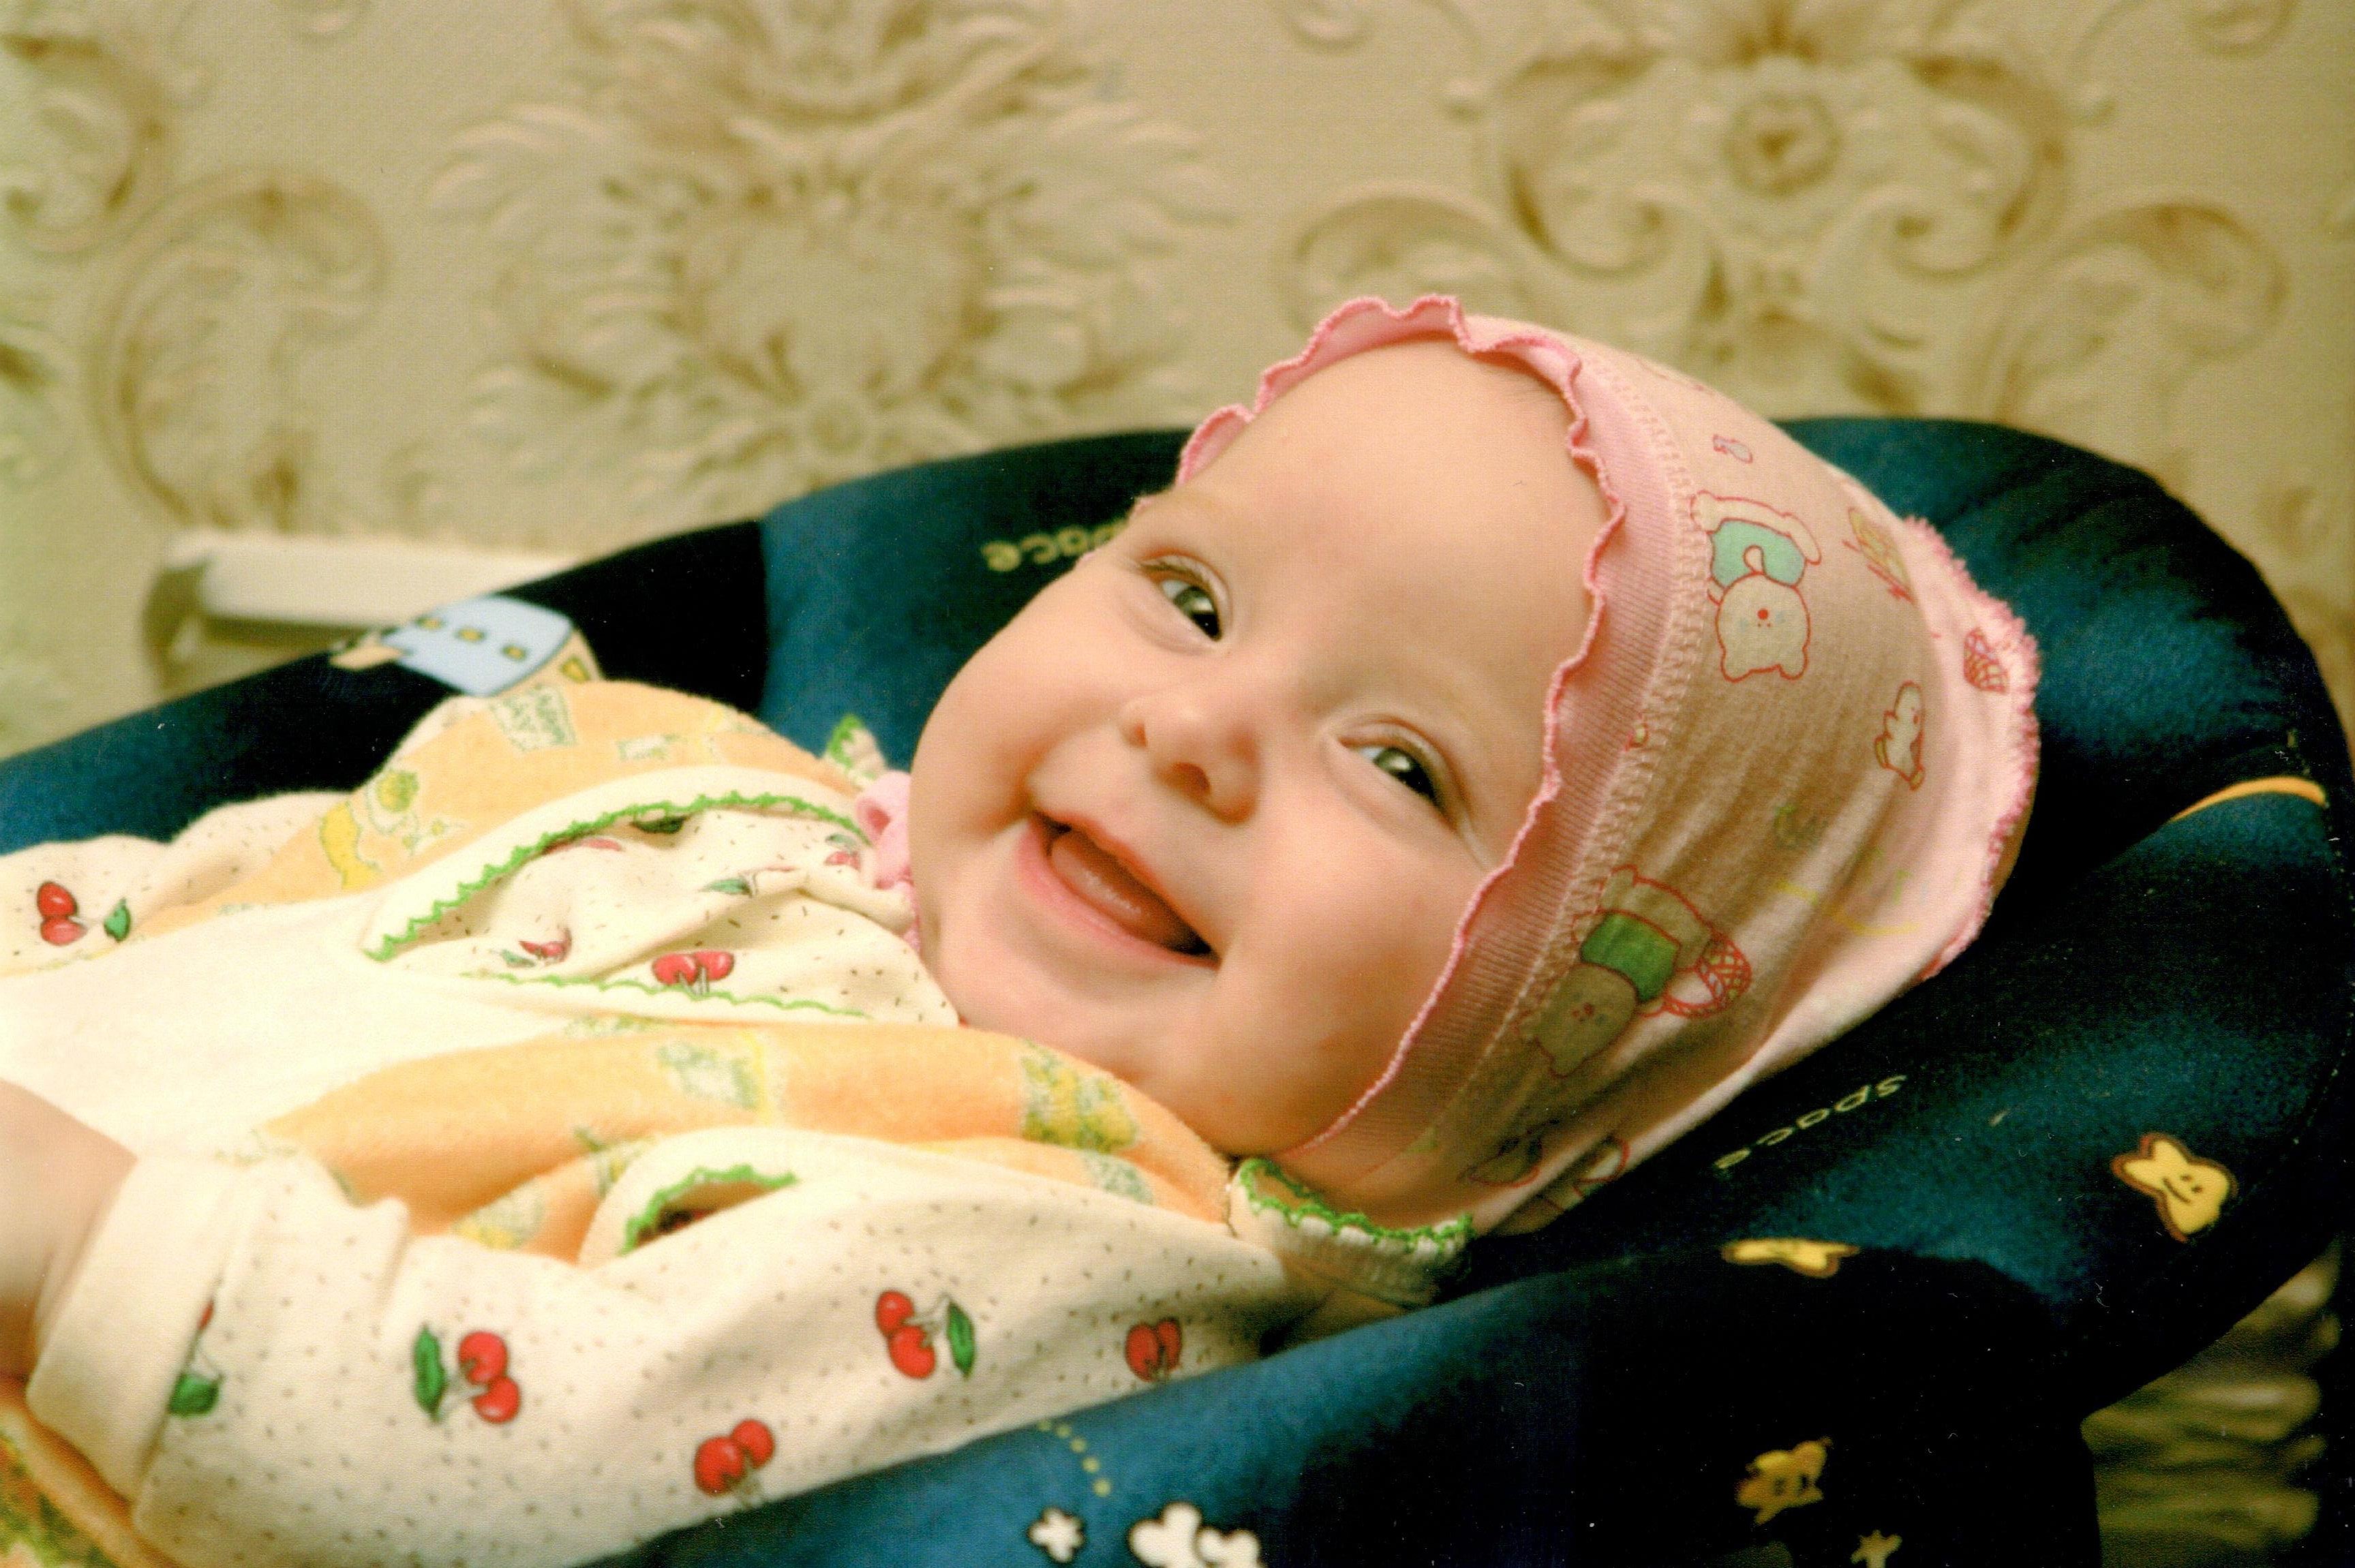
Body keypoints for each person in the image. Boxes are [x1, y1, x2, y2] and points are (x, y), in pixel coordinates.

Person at [0, 295, 2037, 1567]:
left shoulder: (1065, 1238)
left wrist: (76, 1249)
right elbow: (228, 879)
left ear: (1556, 1087)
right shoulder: (694, 773)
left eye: (1405, 767)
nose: (1196, 730)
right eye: (1195, 600)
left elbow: (523, 1470)